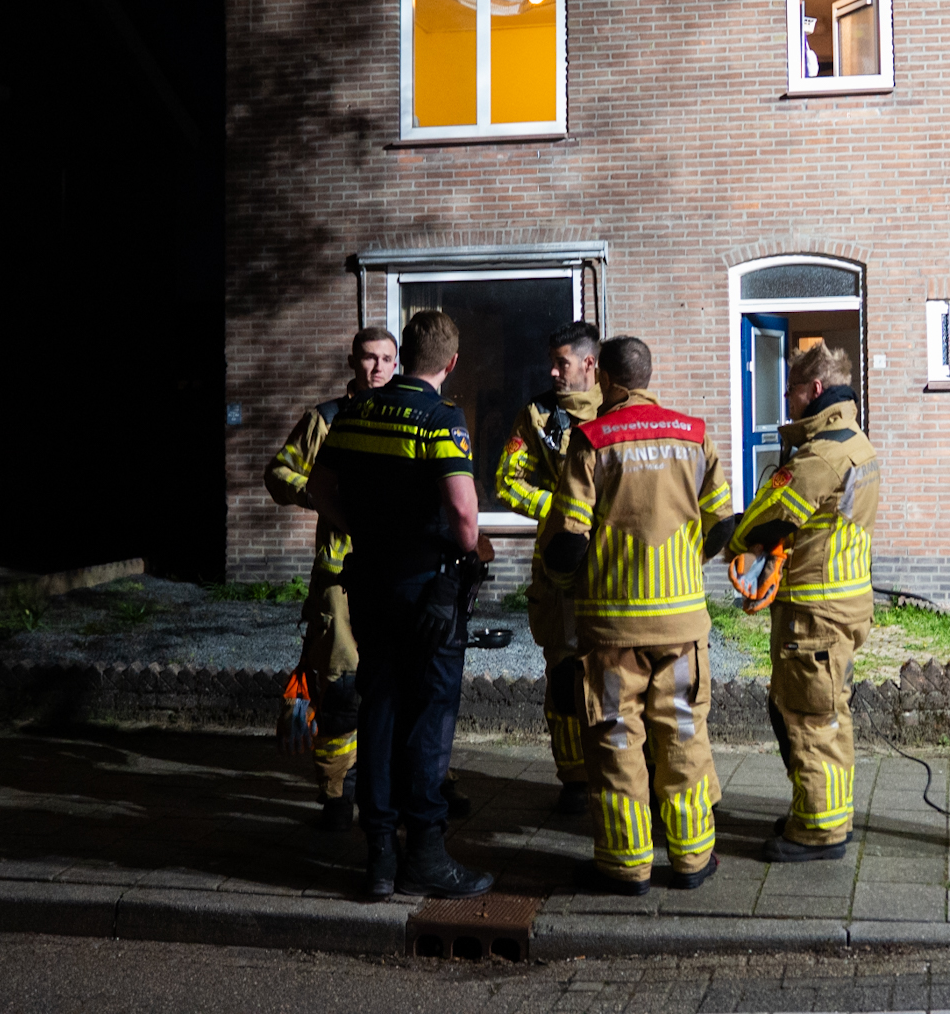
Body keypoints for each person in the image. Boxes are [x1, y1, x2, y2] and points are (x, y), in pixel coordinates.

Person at [308, 309, 492, 900]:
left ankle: (380, 857)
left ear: (404, 354)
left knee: (379, 709)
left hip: (369, 583)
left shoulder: (356, 412)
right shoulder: (442, 420)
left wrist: (356, 526)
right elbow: (464, 517)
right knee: (428, 717)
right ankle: (428, 856)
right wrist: (466, 554)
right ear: (451, 362)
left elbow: (316, 484)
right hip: (427, 590)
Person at [544, 336, 733, 895]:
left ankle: (627, 867)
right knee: (683, 734)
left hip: (612, 628)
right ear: (648, 377)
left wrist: (562, 584)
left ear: (606, 379)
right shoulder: (693, 434)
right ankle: (694, 859)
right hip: (682, 625)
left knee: (617, 738)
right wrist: (680, 565)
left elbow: (569, 541)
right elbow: (721, 524)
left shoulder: (592, 439)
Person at [718, 341, 879, 863]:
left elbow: (766, 522)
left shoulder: (821, 455)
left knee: (810, 717)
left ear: (813, 390)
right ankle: (824, 812)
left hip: (815, 612)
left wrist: (732, 540)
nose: (785, 399)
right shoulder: (856, 441)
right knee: (827, 711)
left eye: (789, 390)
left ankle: (819, 832)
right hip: (843, 602)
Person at [264, 326, 398, 835]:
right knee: (341, 688)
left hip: (392, 573)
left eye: (387, 359)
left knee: (398, 684)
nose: (378, 368)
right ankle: (335, 793)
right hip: (339, 577)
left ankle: (411, 781)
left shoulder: (406, 417)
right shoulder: (326, 419)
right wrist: (321, 496)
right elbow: (280, 474)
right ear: (352, 362)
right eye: (369, 358)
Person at [492, 321, 602, 815]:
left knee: (617, 675)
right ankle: (574, 779)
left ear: (590, 364)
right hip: (557, 574)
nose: (552, 371)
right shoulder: (537, 416)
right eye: (551, 362)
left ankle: (625, 773)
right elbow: (507, 483)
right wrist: (565, 508)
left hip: (612, 570)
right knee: (563, 678)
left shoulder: (621, 411)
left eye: (562, 362)